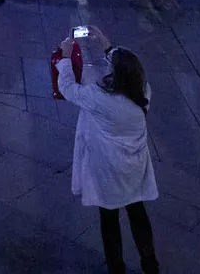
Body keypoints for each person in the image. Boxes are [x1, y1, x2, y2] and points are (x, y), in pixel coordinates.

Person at [54, 27, 159, 274]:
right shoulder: (143, 91)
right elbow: (126, 67)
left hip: (108, 169)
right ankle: (150, 263)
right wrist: (105, 44)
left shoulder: (100, 98)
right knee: (137, 213)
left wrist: (67, 57)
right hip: (134, 167)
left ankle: (116, 267)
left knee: (109, 219)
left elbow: (68, 89)